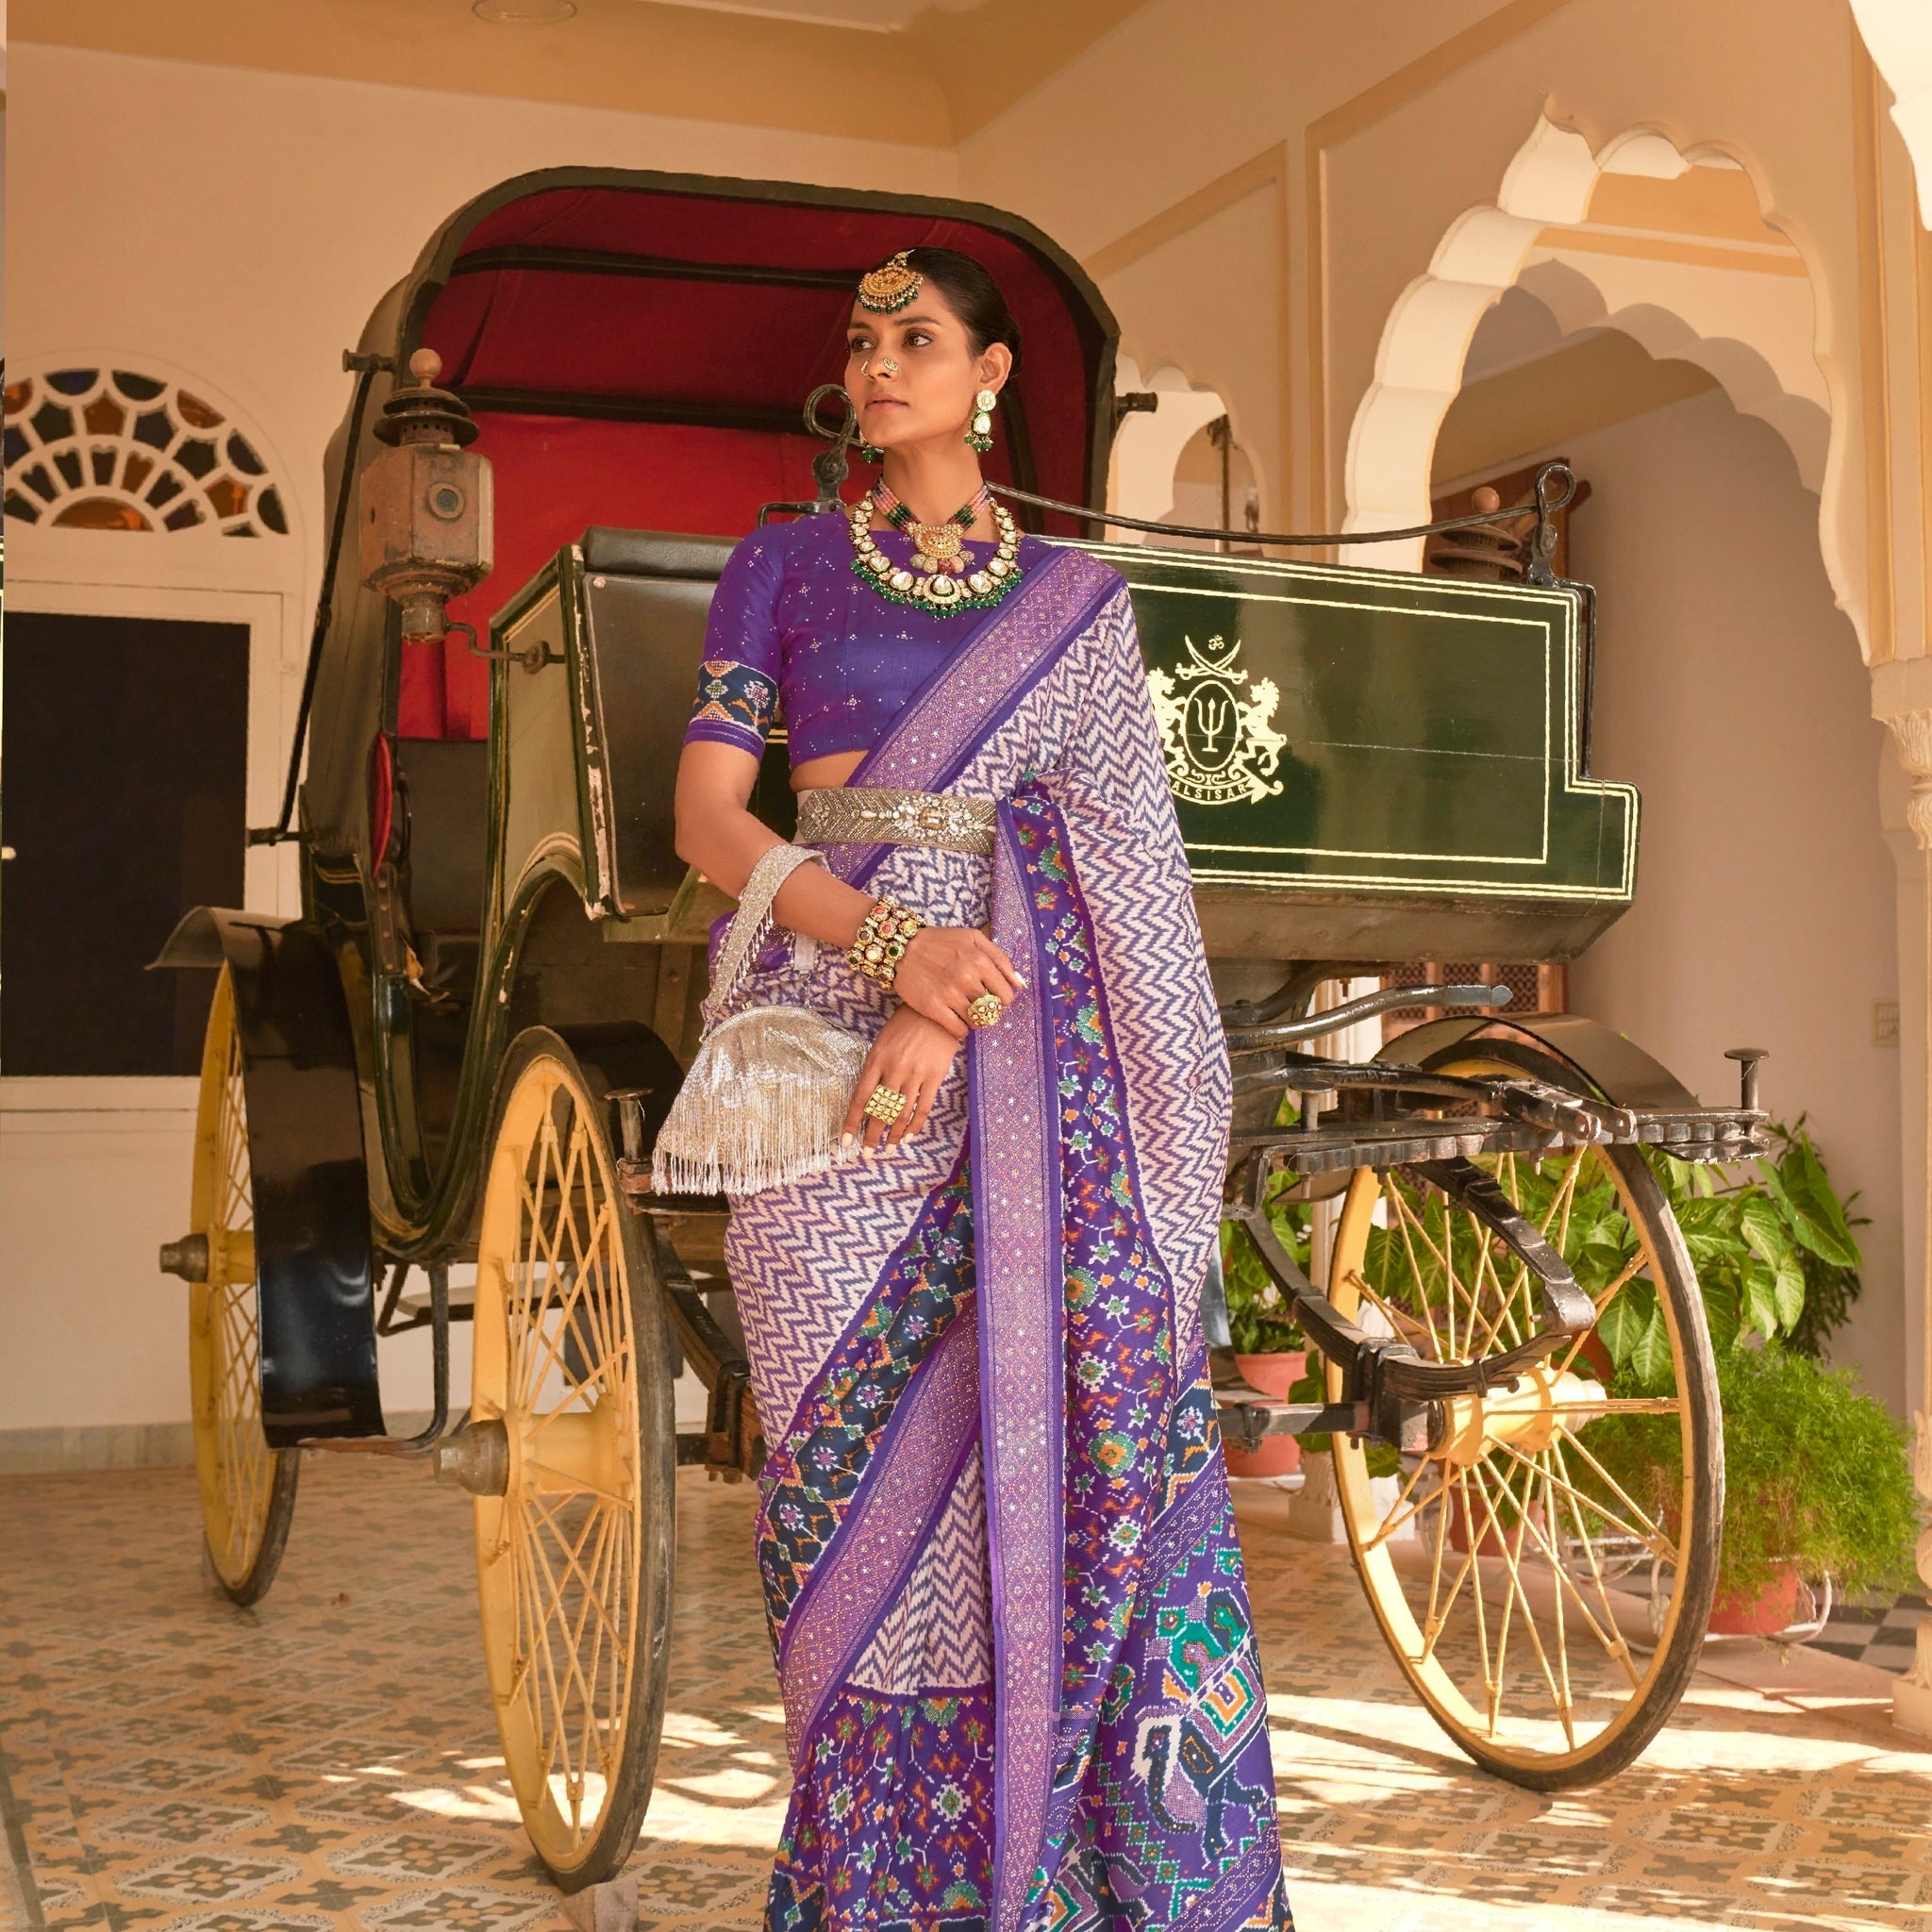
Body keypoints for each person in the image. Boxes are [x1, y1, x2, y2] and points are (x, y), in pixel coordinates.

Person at [671, 245, 1293, 1932]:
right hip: (815, 1030)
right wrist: (889, 956)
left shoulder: (1077, 607)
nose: (881, 365)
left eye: (918, 339)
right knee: (832, 1485)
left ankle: (1067, 1872)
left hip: (1025, 1048)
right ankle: (880, 1887)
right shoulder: (783, 565)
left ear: (990, 373)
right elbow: (715, 822)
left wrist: (952, 1007)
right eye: (863, 343)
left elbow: (1108, 878)